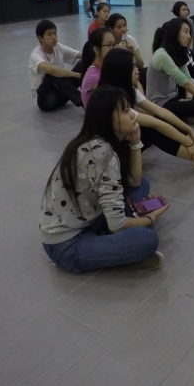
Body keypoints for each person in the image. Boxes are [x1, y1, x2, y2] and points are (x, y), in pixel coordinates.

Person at [40, 85, 169, 272]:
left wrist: (135, 142)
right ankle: (124, 247)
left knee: (142, 184)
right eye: (126, 111)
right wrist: (149, 218)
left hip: (90, 217)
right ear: (108, 119)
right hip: (67, 245)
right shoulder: (103, 153)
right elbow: (117, 225)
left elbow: (134, 181)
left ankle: (120, 244)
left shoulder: (95, 140)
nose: (133, 115)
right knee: (148, 239)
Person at [100, 48, 194, 172]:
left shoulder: (128, 90)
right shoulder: (112, 100)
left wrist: (189, 130)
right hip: (113, 157)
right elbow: (155, 123)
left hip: (126, 143)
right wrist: (188, 142)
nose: (137, 70)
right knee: (150, 129)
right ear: (120, 71)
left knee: (161, 118)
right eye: (132, 67)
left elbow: (160, 111)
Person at [148, 18, 194, 119]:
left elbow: (188, 79)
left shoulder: (179, 52)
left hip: (175, 96)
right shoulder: (162, 55)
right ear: (174, 33)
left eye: (189, 32)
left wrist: (188, 98)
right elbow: (186, 83)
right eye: (185, 32)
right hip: (160, 104)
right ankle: (185, 116)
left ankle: (186, 115)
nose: (189, 36)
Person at [30, 19, 83, 111]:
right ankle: (84, 101)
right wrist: (78, 75)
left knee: (83, 62)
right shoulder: (35, 55)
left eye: (55, 33)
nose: (54, 37)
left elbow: (80, 55)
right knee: (52, 73)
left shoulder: (58, 47)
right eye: (49, 34)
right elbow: (50, 70)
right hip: (46, 101)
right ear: (40, 38)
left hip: (62, 94)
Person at [80, 26, 116, 107]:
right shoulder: (94, 77)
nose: (114, 49)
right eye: (109, 45)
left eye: (114, 45)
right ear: (96, 49)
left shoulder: (106, 67)